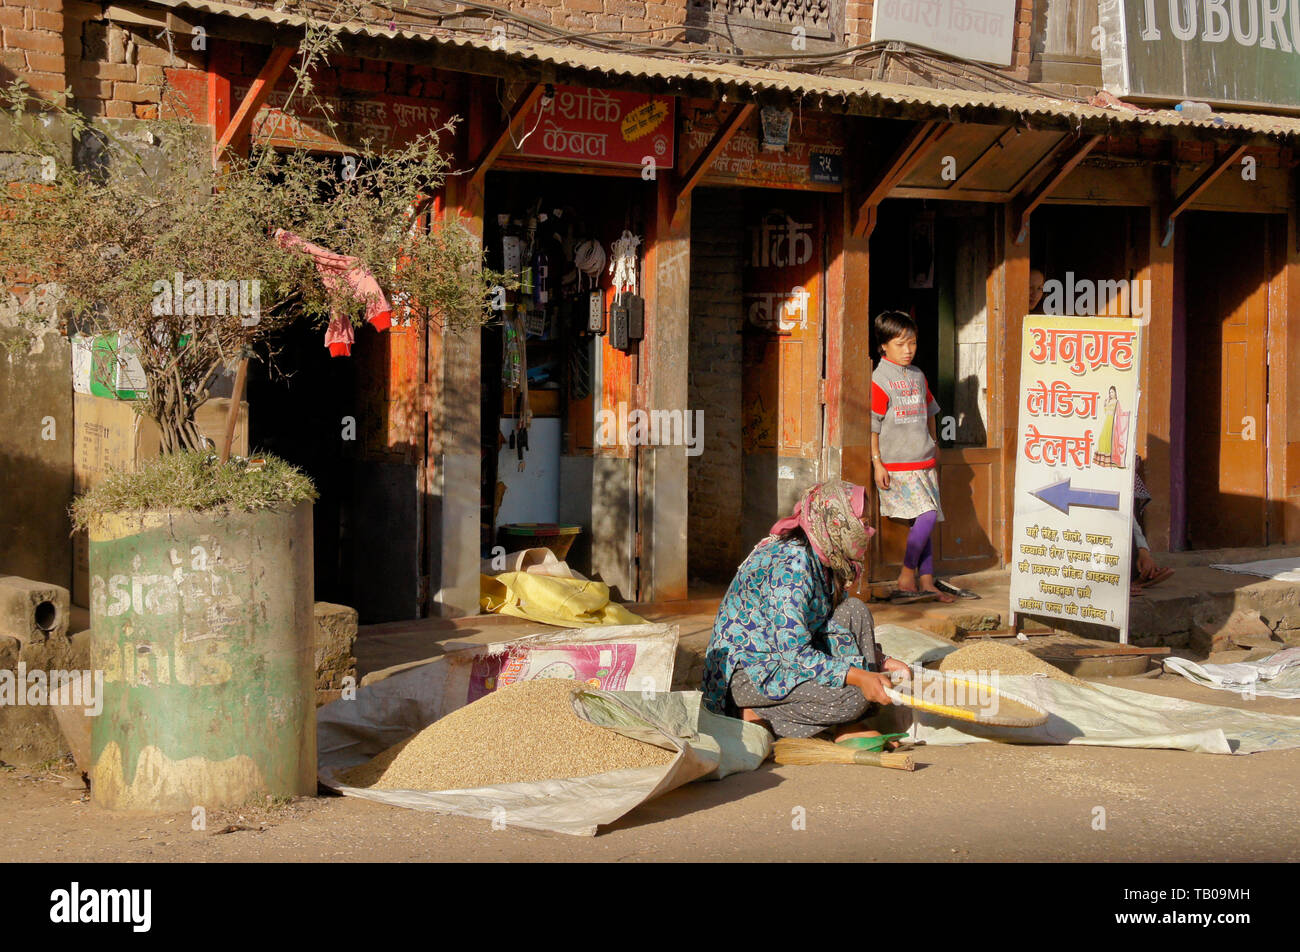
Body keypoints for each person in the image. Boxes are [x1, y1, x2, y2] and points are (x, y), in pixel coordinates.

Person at [701, 480, 911, 743]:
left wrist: (880, 661)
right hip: (749, 675)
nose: (867, 530)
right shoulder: (793, 566)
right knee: (854, 697)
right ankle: (753, 714)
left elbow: (830, 623)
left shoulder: (822, 555)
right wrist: (858, 676)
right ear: (836, 520)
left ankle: (848, 722)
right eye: (861, 521)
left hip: (782, 662)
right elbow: (793, 653)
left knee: (854, 611)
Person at [871, 310, 956, 604]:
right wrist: (876, 461)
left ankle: (926, 580)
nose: (908, 350)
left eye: (913, 343)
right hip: (897, 465)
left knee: (924, 520)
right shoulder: (879, 379)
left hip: (924, 461)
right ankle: (907, 574)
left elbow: (931, 410)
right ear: (883, 345)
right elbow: (874, 424)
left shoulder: (918, 376)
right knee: (928, 514)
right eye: (900, 344)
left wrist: (934, 443)